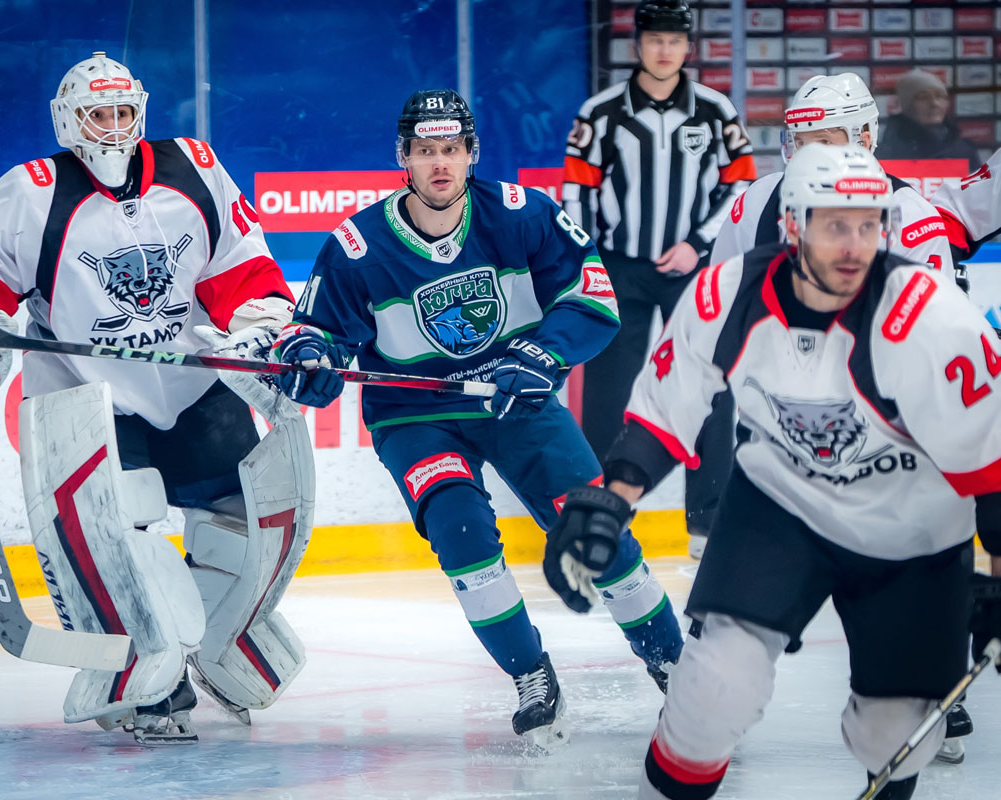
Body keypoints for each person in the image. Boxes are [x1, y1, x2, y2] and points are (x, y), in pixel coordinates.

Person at [543, 143, 1001, 799]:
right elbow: (665, 414)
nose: (855, 246)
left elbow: (992, 467)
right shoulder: (727, 295)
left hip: (912, 532)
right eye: (834, 225)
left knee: (897, 737)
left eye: (868, 224)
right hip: (782, 506)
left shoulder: (932, 320)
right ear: (791, 225)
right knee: (710, 695)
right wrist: (612, 500)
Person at [0, 52, 312, 743]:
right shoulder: (31, 192)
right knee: (121, 532)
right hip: (87, 393)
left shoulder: (194, 168)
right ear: (69, 121)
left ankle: (218, 644)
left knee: (246, 521)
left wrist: (263, 330)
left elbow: (242, 267)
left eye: (126, 112)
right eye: (100, 114)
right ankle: (148, 668)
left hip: (192, 383)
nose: (115, 127)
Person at [274, 89, 684, 748]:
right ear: (404, 157)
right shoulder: (357, 246)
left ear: (472, 153)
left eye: (452, 149)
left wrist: (543, 354)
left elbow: (593, 296)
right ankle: (531, 675)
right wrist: (309, 359)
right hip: (416, 416)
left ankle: (674, 665)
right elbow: (316, 335)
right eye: (426, 150)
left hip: (514, 400)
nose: (440, 163)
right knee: (460, 531)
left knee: (596, 533)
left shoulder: (523, 214)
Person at [562, 0, 756, 561]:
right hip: (619, 268)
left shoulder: (716, 112)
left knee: (709, 386)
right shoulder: (600, 113)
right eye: (655, 39)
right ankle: (602, 516)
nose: (665, 50)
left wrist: (697, 243)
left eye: (675, 40)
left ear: (688, 47)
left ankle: (708, 521)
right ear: (638, 45)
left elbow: (741, 184)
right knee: (607, 393)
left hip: (691, 270)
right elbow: (577, 191)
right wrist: (588, 258)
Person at [712, 73, 955, 287]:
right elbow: (721, 293)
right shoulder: (759, 200)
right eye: (800, 143)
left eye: (824, 142)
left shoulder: (912, 217)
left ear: (864, 141)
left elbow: (930, 316)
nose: (808, 157)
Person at [876, 69, 982, 172]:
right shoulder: (886, 153)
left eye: (940, 96)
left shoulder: (964, 150)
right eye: (924, 97)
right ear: (907, 105)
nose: (934, 104)